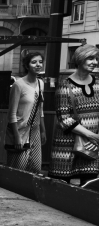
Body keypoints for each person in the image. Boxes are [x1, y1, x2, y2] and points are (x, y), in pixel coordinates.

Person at [49, 44, 99, 185]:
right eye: (90, 58)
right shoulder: (65, 85)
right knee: (61, 188)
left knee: (90, 186)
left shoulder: (98, 84)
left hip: (91, 147)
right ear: (80, 59)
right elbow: (64, 119)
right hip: (66, 147)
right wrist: (93, 136)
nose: (94, 62)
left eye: (96, 58)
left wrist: (96, 140)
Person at [5, 51, 46, 173]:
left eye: (40, 62)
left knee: (36, 168)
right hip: (21, 130)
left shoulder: (41, 83)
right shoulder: (19, 85)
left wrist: (43, 130)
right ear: (27, 66)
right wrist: (16, 137)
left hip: (35, 130)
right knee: (19, 168)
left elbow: (40, 109)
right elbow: (11, 113)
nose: (38, 65)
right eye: (34, 62)